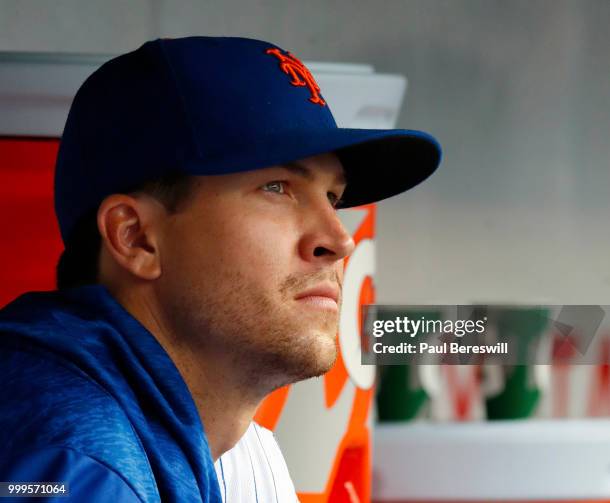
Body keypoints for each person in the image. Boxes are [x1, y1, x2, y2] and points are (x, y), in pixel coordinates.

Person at [0, 36, 441, 502]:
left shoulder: (196, 444)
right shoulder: (78, 465)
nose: (339, 240)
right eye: (277, 187)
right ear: (136, 238)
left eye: (332, 198)